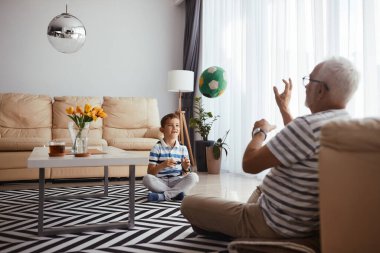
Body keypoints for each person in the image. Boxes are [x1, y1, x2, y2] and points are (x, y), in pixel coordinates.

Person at [181, 57, 359, 240]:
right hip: (298, 221)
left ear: (320, 89)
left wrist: (261, 132)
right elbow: (300, 142)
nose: (306, 86)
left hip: (270, 223)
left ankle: (245, 234)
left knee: (188, 204)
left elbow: (249, 164)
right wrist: (284, 108)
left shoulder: (306, 125)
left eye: (309, 80)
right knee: (260, 189)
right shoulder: (345, 123)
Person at [143, 112, 199, 202]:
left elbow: (186, 174)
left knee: (194, 177)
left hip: (177, 181)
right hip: (160, 182)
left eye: (177, 125)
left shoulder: (183, 149)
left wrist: (185, 168)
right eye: (170, 125)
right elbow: (150, 172)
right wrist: (163, 165)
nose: (175, 128)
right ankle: (176, 194)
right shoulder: (156, 148)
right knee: (146, 179)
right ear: (162, 129)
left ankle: (164, 196)